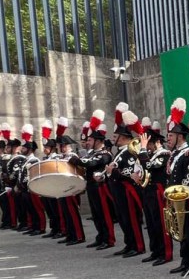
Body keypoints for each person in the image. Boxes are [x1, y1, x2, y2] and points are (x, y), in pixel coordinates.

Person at [164, 99, 189, 275]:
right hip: (174, 198)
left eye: (170, 135)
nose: (168, 138)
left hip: (185, 198)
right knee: (179, 230)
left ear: (180, 136)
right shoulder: (175, 154)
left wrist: (182, 196)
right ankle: (184, 260)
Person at [107, 104, 146, 257]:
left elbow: (130, 172)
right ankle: (129, 244)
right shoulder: (119, 153)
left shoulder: (129, 152)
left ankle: (138, 246)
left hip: (127, 190)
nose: (113, 139)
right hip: (119, 190)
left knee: (131, 219)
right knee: (123, 218)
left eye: (115, 137)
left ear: (123, 138)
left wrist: (114, 171)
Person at [136, 119, 173, 265]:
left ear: (156, 142)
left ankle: (166, 253)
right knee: (151, 223)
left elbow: (150, 166)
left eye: (149, 143)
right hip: (148, 191)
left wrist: (143, 149)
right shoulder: (151, 154)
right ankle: (155, 250)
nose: (147, 147)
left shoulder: (164, 154)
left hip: (158, 191)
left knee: (160, 223)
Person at [79, 113, 116, 250]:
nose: (87, 142)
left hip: (101, 187)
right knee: (95, 213)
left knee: (104, 213)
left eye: (90, 140)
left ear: (97, 141)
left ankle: (109, 239)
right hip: (91, 186)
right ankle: (101, 237)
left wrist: (77, 160)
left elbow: (92, 163)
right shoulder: (91, 153)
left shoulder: (104, 154)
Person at [54, 119, 86, 246]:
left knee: (72, 213)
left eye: (62, 146)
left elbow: (79, 171)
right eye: (60, 146)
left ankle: (78, 236)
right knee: (65, 213)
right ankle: (69, 234)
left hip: (72, 188)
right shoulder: (59, 157)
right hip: (62, 188)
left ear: (67, 146)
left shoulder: (73, 157)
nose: (61, 148)